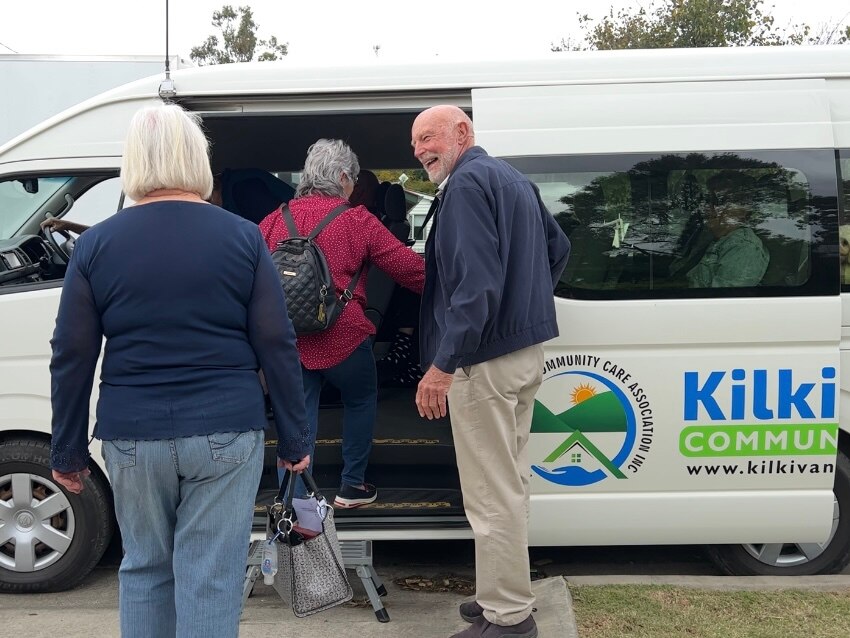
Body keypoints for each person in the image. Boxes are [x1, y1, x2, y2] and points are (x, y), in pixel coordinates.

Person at [49, 104, 310, 638]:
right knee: (210, 575)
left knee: (144, 567)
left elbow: (72, 353)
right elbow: (277, 343)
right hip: (225, 429)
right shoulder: (242, 238)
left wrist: (67, 449)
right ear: (197, 159)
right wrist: (294, 437)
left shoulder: (97, 244)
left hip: (132, 433)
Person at [411, 105, 570, 638]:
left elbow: (475, 289)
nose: (420, 150)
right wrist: (523, 306)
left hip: (483, 362)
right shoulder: (511, 179)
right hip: (524, 356)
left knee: (490, 494)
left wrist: (441, 366)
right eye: (415, 144)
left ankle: (508, 618)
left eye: (428, 137)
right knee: (511, 484)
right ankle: (499, 595)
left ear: (463, 132)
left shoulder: (463, 187)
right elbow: (558, 247)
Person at [258, 139, 425, 508]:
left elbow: (247, 281)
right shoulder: (357, 220)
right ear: (344, 177)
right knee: (362, 398)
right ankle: (352, 487)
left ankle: (296, 500)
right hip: (343, 337)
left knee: (298, 414)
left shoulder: (273, 220)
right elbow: (410, 272)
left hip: (290, 341)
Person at [685, 170, 769, 288]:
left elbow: (722, 301)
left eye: (718, 201)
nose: (709, 207)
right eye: (710, 200)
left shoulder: (744, 248)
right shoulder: (715, 239)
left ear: (742, 210)